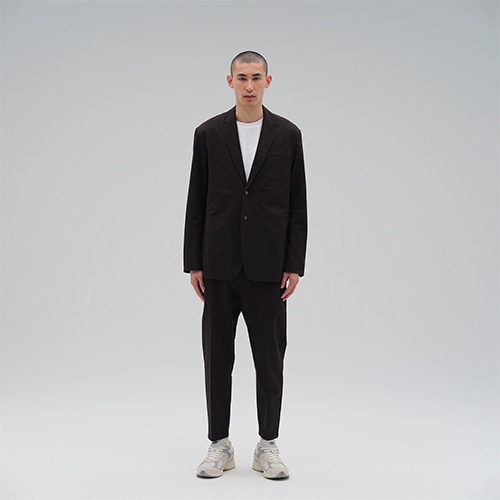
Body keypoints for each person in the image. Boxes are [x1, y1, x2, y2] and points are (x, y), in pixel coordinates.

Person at [183, 50, 307, 480]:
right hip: (218, 265)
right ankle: (219, 444)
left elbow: (297, 203)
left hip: (268, 268)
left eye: (256, 77)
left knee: (270, 360)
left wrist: (294, 263)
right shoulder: (208, 134)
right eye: (242, 78)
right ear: (230, 81)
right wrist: (194, 261)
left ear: (268, 81)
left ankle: (267, 445)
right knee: (217, 360)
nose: (249, 85)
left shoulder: (287, 135)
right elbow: (197, 198)